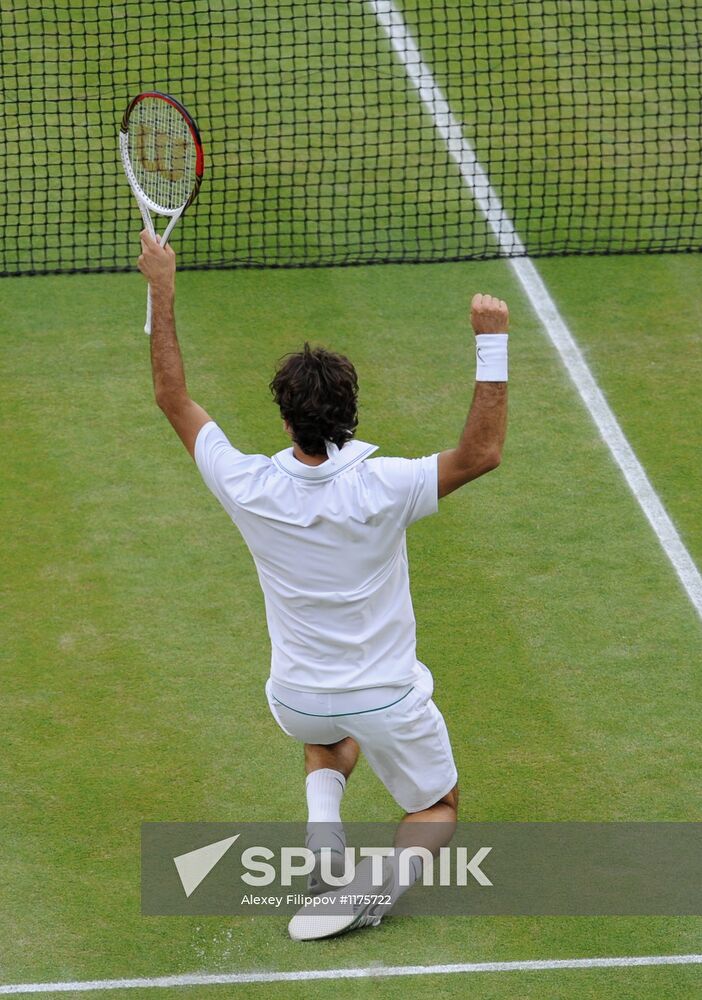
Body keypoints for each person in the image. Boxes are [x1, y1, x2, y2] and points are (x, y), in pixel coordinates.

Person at [137, 230, 508, 940]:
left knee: (329, 732)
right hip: (386, 698)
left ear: (285, 417)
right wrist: (491, 340)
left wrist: (162, 284)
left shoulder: (245, 483)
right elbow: (482, 453)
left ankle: (323, 833)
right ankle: (369, 895)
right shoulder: (387, 484)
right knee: (437, 808)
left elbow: (171, 395)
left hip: (295, 698)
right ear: (351, 413)